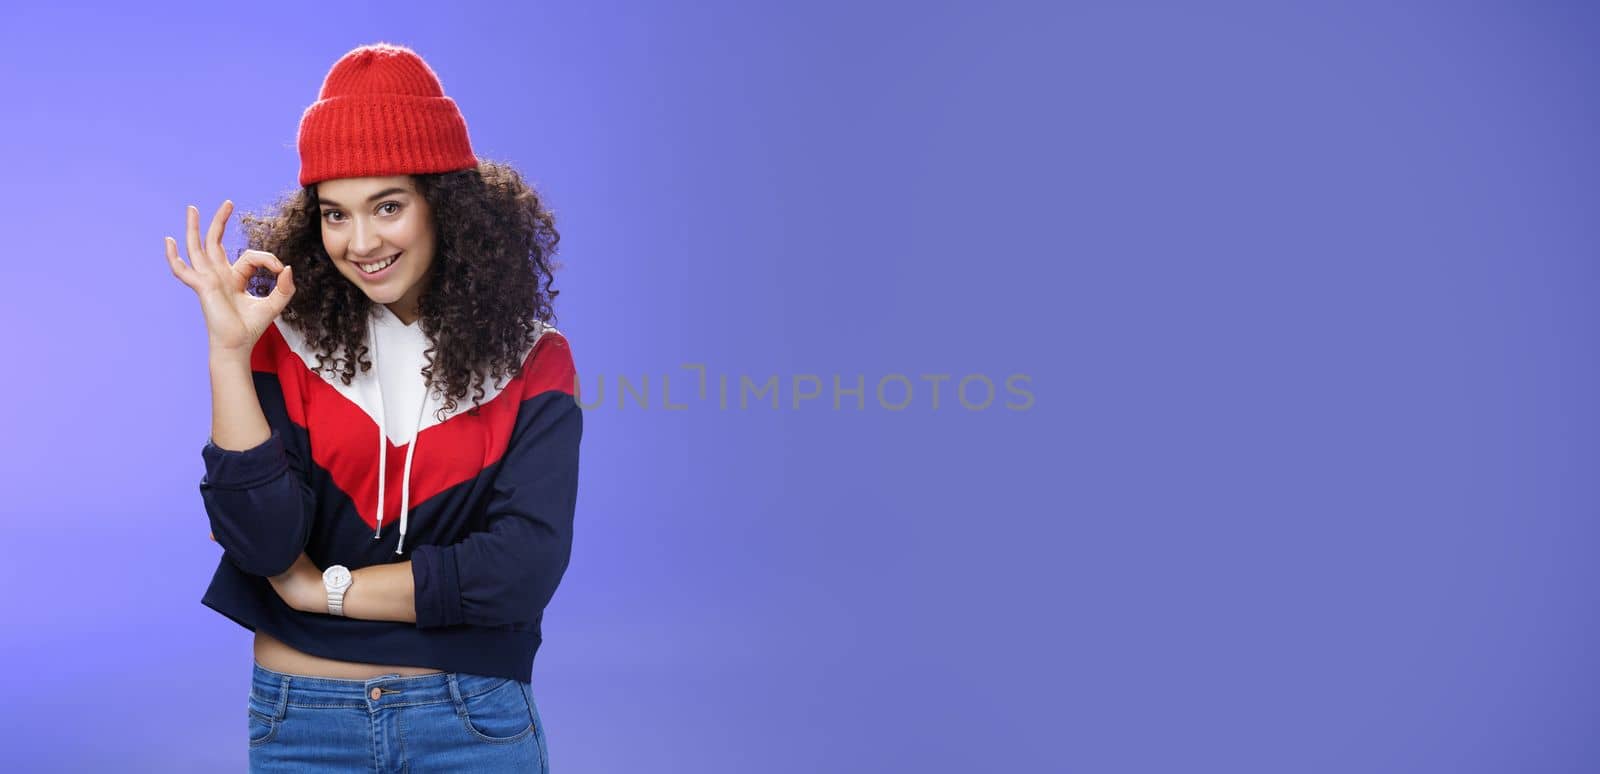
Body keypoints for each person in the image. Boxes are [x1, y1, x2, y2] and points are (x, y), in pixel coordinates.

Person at [163, 42, 580, 772]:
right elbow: (261, 547)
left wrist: (323, 589)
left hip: (470, 720)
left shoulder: (534, 360)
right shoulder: (281, 341)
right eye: (335, 213)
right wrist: (229, 354)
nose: (361, 243)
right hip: (301, 723)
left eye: (388, 206)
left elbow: (521, 569)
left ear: (443, 203)